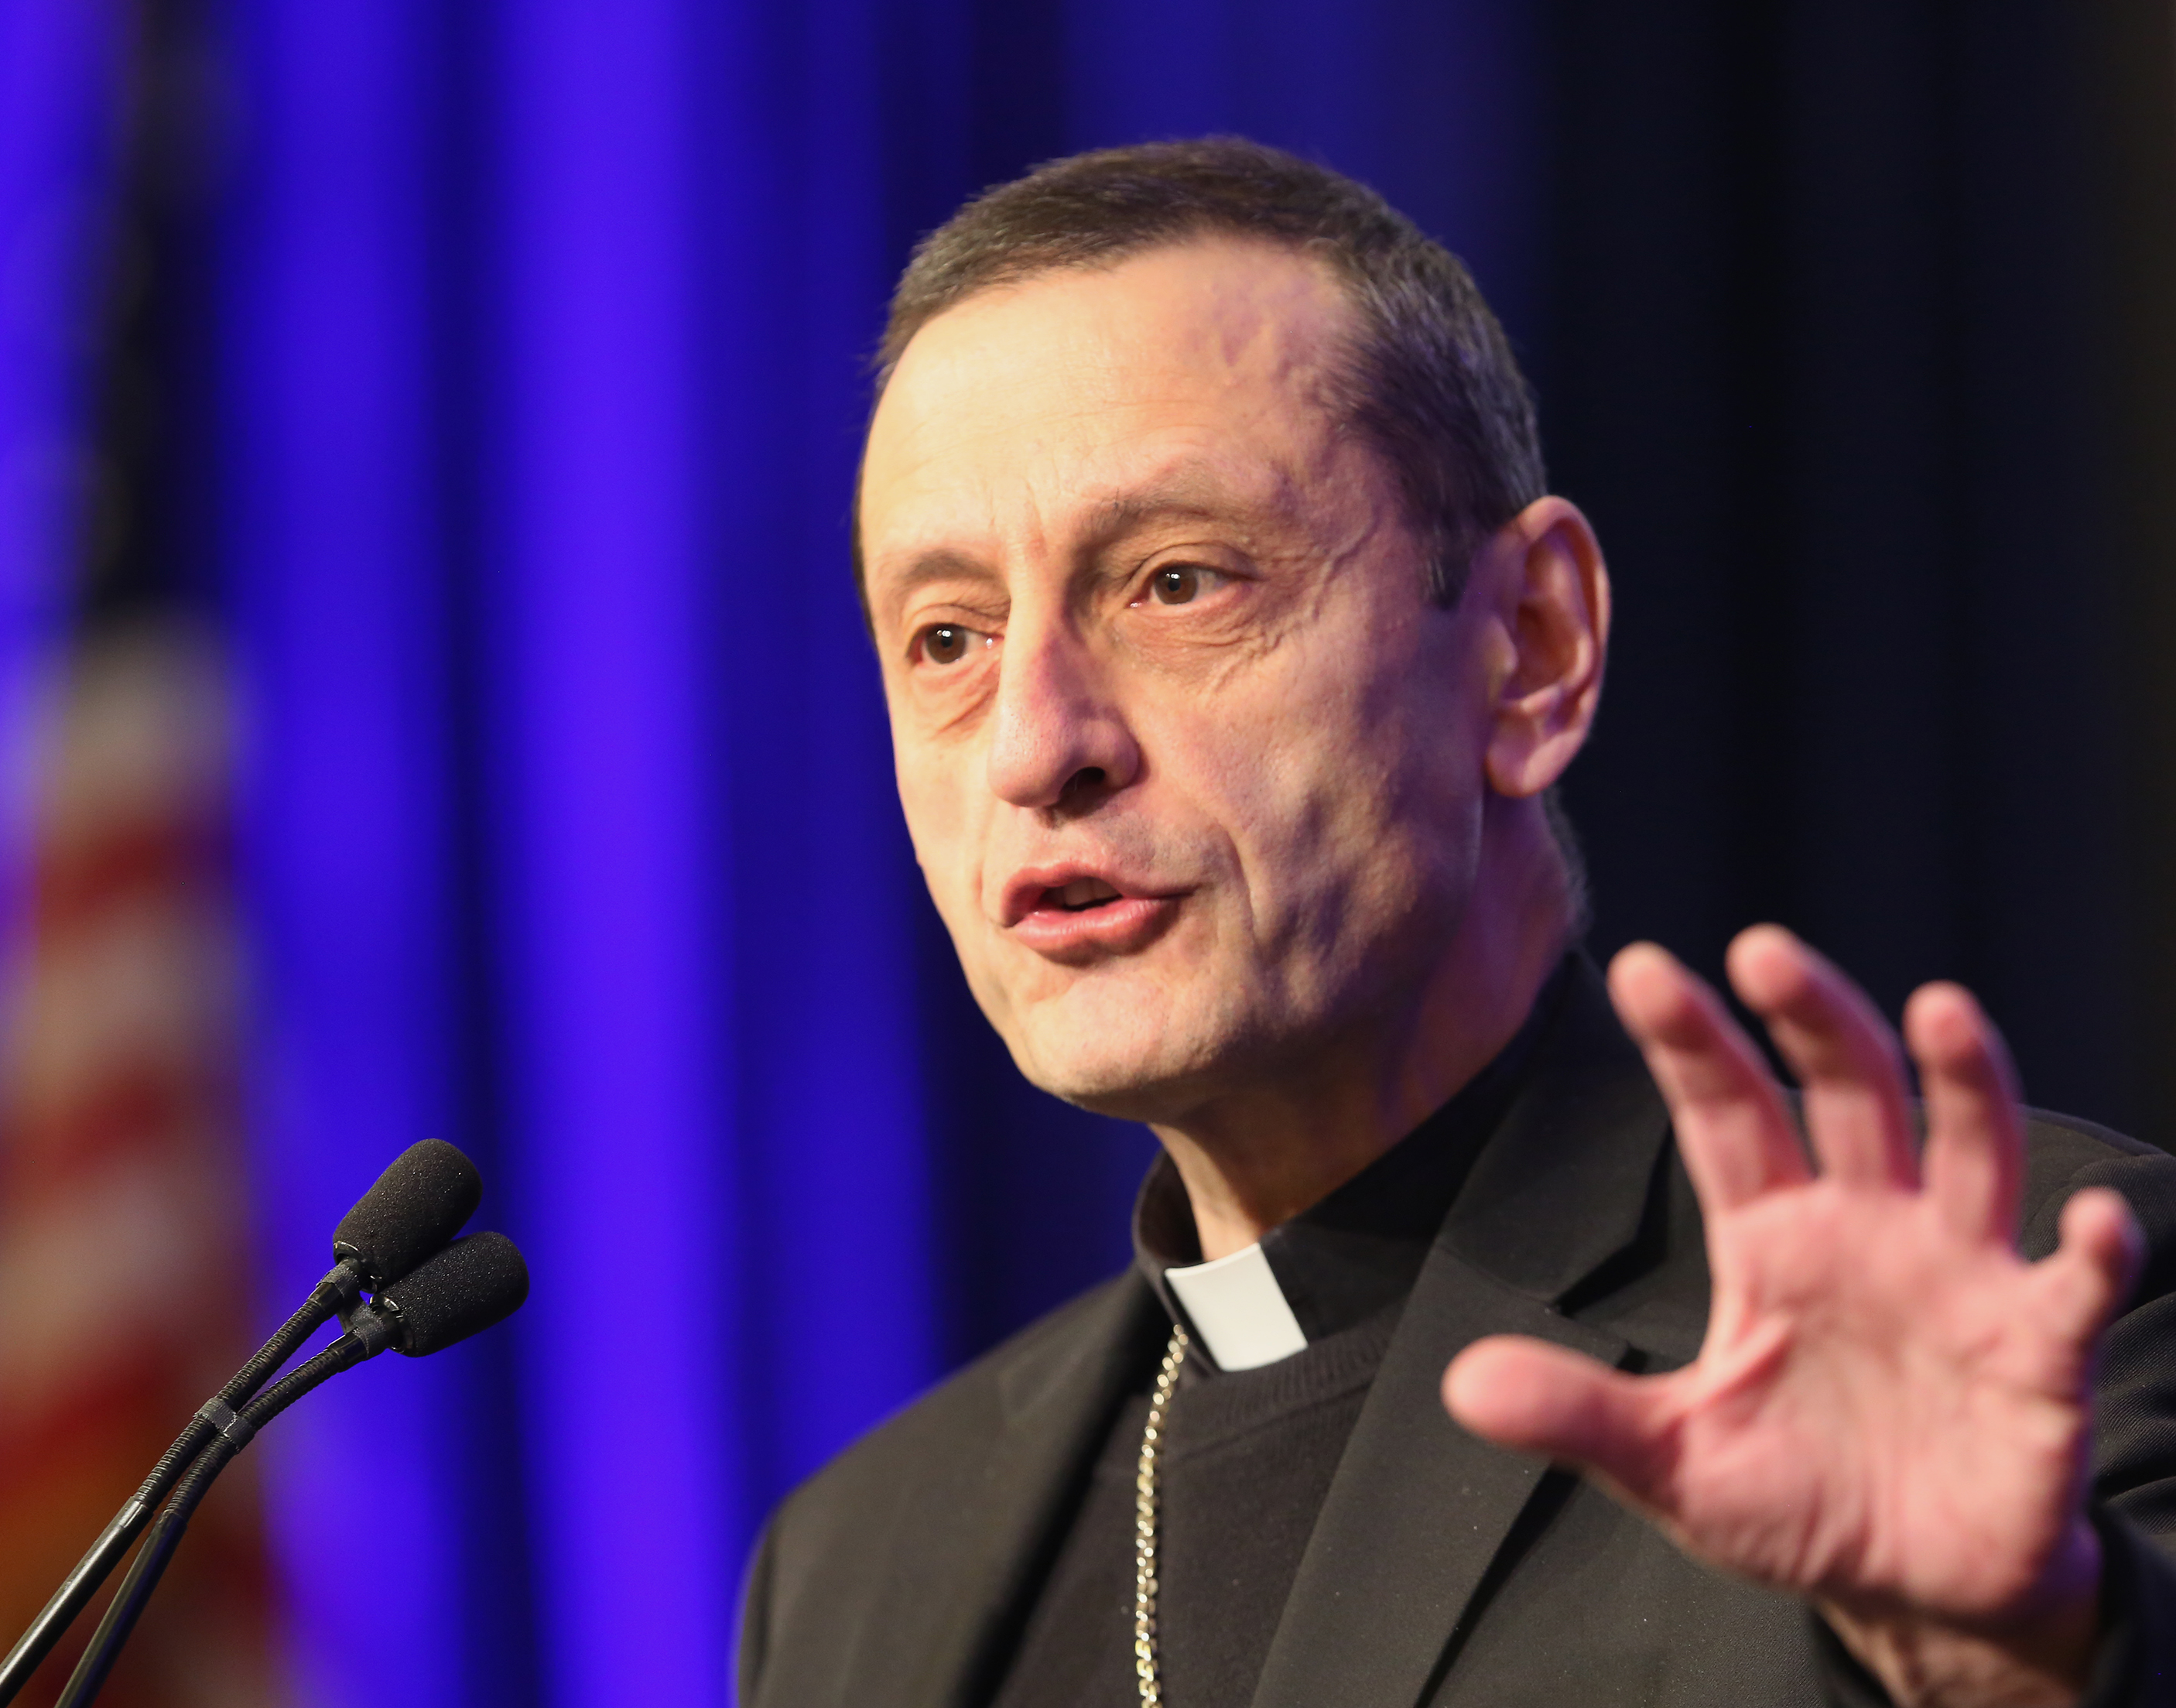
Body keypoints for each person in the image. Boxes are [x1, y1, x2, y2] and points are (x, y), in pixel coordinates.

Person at [734, 139, 2176, 1708]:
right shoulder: (860, 1570)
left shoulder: (2020, 1320)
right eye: (948, 638)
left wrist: (2015, 1666)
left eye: (1178, 583)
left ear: (1531, 648)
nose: (1035, 746)